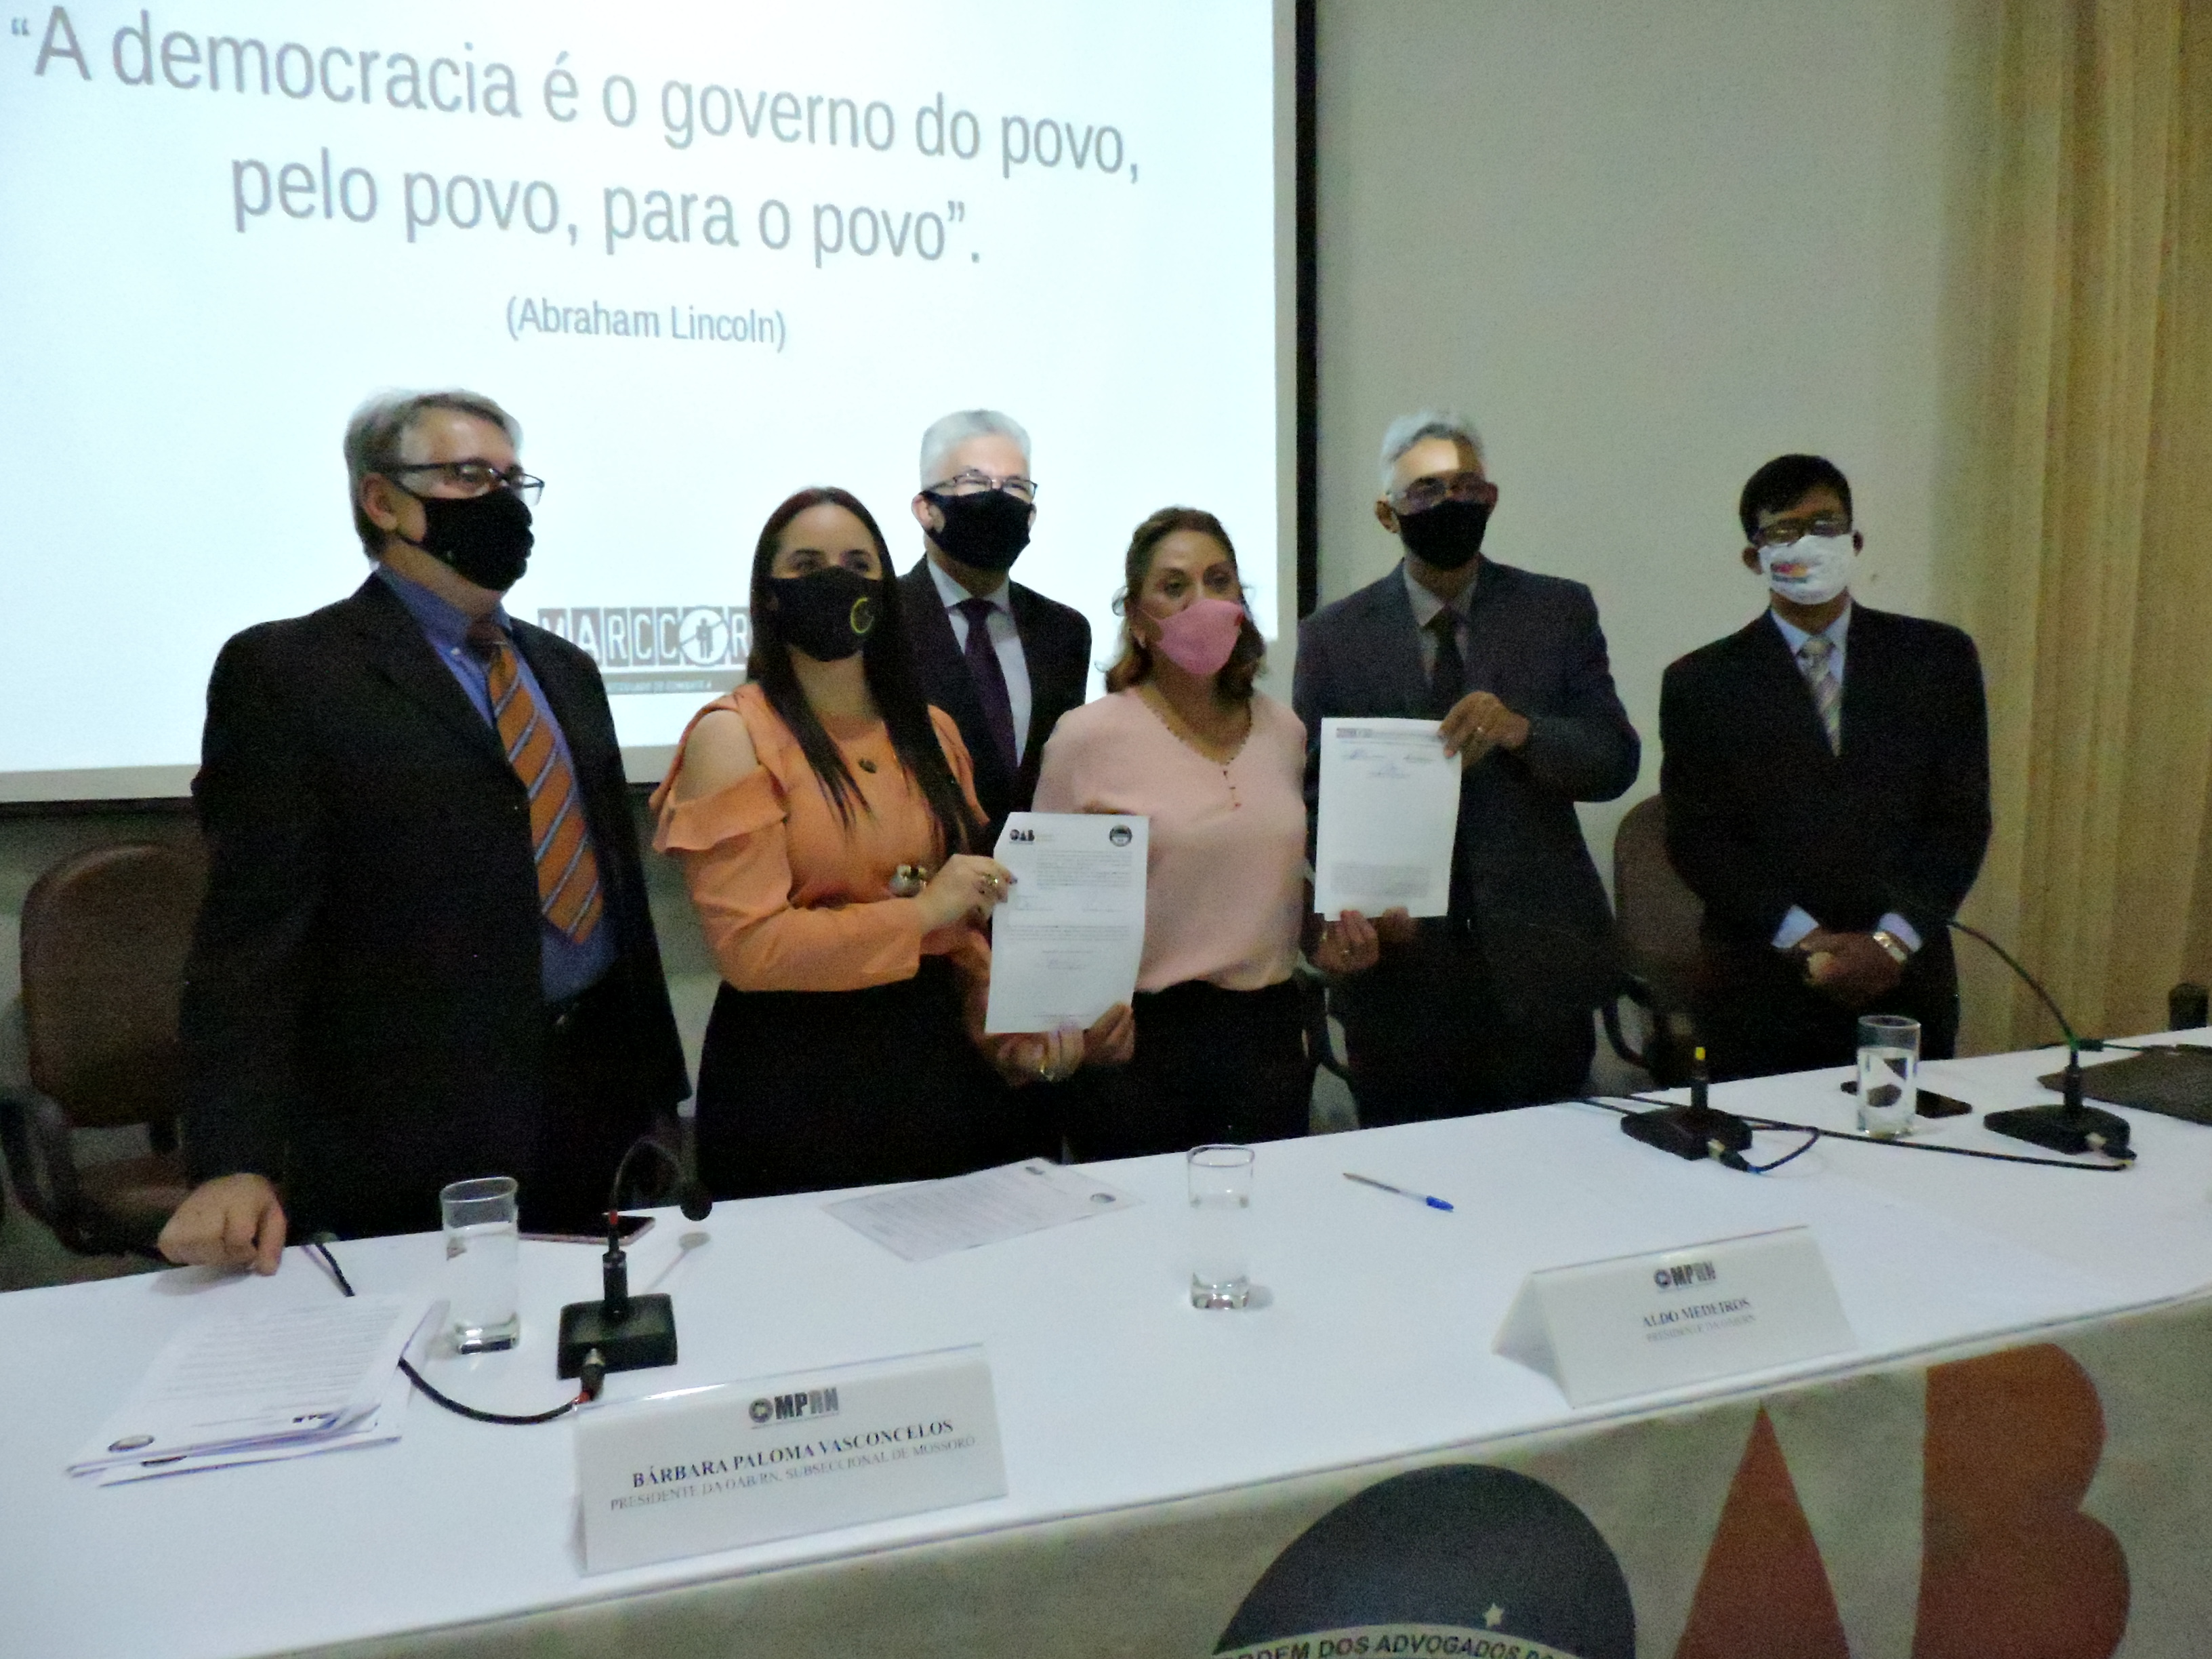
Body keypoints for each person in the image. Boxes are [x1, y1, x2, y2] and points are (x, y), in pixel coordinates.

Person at [159, 390, 690, 1269]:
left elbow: (616, 892)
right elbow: (250, 942)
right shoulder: (290, 674)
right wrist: (233, 1158)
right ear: (382, 500)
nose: (502, 502)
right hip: (409, 1132)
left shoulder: (566, 670)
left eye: (514, 481)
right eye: (470, 477)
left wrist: (659, 1091)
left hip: (593, 1104)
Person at [656, 487, 1130, 1197]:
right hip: (794, 1085)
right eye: (807, 564)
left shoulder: (932, 732)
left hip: (939, 1077)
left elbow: (962, 933)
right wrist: (920, 913)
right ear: (770, 595)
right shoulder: (732, 736)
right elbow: (751, 950)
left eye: (858, 564)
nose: (835, 580)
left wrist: (1017, 1037)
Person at [1293, 410, 1639, 1123]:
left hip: (1540, 968)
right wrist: (1356, 903)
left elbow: (1614, 759)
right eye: (1425, 490)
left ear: (1492, 499)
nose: (1449, 504)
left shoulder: (1558, 611)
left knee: (1551, 1179)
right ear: (1387, 513)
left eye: (1465, 487)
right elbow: (1314, 795)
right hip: (1399, 981)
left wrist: (1523, 731)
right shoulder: (1334, 637)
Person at [1035, 508, 1376, 1158]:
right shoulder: (1087, 737)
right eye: (1174, 586)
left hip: (1269, 1036)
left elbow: (1269, 881)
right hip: (1139, 1045)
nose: (1202, 601)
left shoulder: (1283, 730)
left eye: (1219, 581)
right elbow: (1044, 913)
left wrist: (1324, 937)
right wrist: (1069, 1031)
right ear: (1138, 619)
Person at [1659, 453, 1991, 1080]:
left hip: (1905, 984)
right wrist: (1807, 942)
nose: (1808, 543)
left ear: (1855, 542)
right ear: (1754, 558)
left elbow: (1959, 821)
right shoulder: (1701, 683)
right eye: (1784, 531)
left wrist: (1890, 943)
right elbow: (1700, 841)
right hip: (1761, 988)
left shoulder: (1937, 660)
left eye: (1826, 525)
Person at [900, 409, 1094, 848]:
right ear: (927, 508)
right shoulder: (882, 619)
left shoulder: (1064, 632)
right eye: (974, 482)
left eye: (1015, 486)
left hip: (1038, 881)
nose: (997, 499)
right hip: (921, 879)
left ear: (1031, 515)